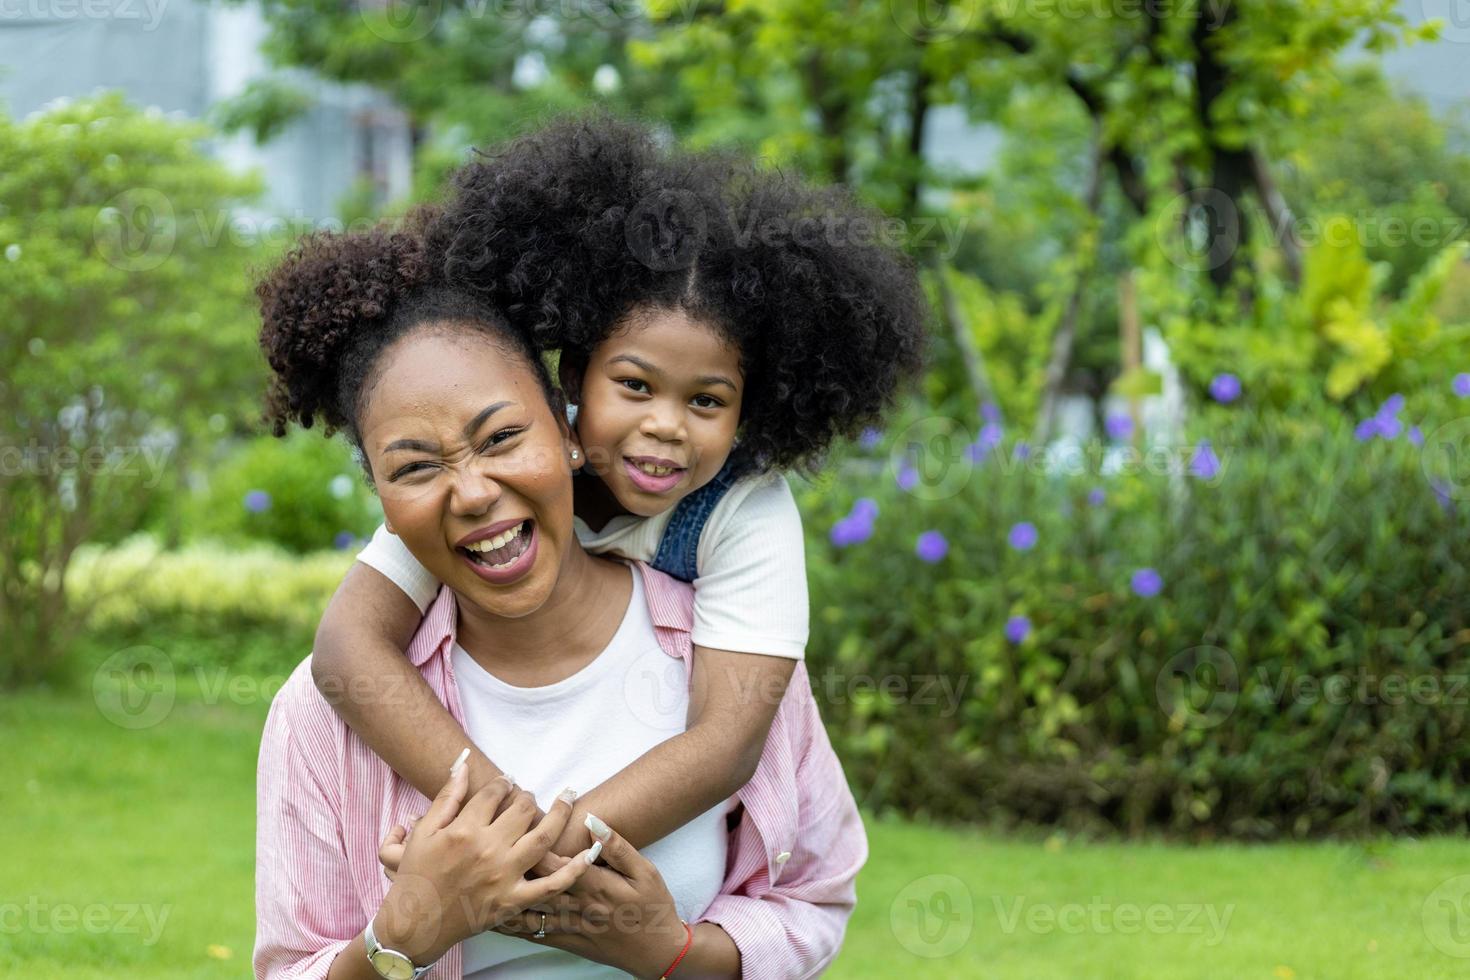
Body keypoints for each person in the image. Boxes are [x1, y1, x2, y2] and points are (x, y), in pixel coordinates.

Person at [253, 206, 867, 979]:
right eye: (413, 468)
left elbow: (807, 895)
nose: (472, 492)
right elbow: (343, 642)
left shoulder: (729, 638)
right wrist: (400, 937)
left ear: (563, 429)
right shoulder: (325, 711)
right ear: (379, 492)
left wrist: (671, 952)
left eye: (504, 437)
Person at [309, 117, 927, 864]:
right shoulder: (504, 469)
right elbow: (347, 649)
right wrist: (490, 814)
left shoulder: (745, 512)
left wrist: (526, 854)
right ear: (573, 380)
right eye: (634, 385)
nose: (666, 426)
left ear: (747, 410)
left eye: (706, 402)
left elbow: (725, 744)